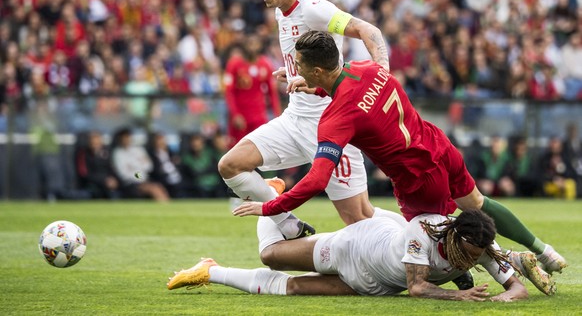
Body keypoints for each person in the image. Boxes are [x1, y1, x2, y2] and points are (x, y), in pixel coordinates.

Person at [233, 30, 568, 275]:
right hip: (438, 146)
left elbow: (318, 178)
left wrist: (271, 207)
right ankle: (543, 250)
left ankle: (510, 265)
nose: (296, 72)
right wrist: (317, 85)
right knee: (479, 204)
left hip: (417, 179)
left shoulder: (335, 119)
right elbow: (351, 88)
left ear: (318, 71)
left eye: (300, 67)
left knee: (439, 242)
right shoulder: (369, 68)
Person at [217, 0, 391, 241]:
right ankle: (289, 225)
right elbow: (315, 58)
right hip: (295, 118)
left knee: (360, 219)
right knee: (230, 165)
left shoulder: (313, 7)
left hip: (329, 124)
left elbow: (366, 29)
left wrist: (382, 73)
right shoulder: (279, 11)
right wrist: (294, 71)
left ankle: (427, 243)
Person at [168, 209, 556, 298]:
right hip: (356, 247)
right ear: (454, 237)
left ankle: (210, 271)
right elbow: (417, 288)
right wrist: (460, 294)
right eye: (468, 254)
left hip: (374, 285)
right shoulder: (424, 229)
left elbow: (517, 290)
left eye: (478, 256)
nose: (471, 262)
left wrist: (502, 299)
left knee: (294, 290)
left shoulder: (480, 245)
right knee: (271, 255)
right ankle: (273, 202)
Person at [223, 40, 281, 147]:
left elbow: (272, 93)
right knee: (238, 148)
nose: (252, 47)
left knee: (260, 147)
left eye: (255, 43)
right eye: (250, 43)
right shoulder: (234, 64)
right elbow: (229, 92)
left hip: (258, 115)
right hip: (241, 115)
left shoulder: (265, 64)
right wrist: (235, 114)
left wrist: (277, 115)